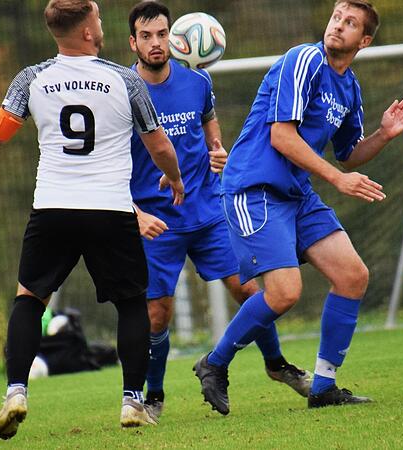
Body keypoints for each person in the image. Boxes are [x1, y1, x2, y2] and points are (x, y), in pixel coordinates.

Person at [0, 0, 184, 439]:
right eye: (97, 17)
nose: (100, 24)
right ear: (89, 32)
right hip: (110, 210)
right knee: (132, 303)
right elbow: (160, 147)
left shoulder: (32, 78)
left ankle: (16, 391)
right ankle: (133, 400)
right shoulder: (125, 80)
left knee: (29, 299)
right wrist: (174, 179)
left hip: (53, 207)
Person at [192, 0, 403, 414]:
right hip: (253, 189)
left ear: (364, 40)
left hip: (296, 194)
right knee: (284, 293)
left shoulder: (349, 88)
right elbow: (281, 136)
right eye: (337, 17)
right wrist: (336, 179)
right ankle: (214, 363)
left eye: (350, 23)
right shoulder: (305, 58)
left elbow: (349, 154)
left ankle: (324, 387)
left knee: (352, 275)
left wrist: (385, 134)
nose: (338, 26)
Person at [126, 1, 310, 421]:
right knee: (158, 311)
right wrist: (134, 210)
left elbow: (211, 130)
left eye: (162, 34)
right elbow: (110, 160)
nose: (156, 44)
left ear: (173, 36)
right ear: (133, 42)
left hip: (207, 210)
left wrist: (219, 151)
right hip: (156, 221)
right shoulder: (124, 90)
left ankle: (276, 365)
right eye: (147, 36)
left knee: (249, 291)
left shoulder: (197, 81)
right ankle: (153, 396)